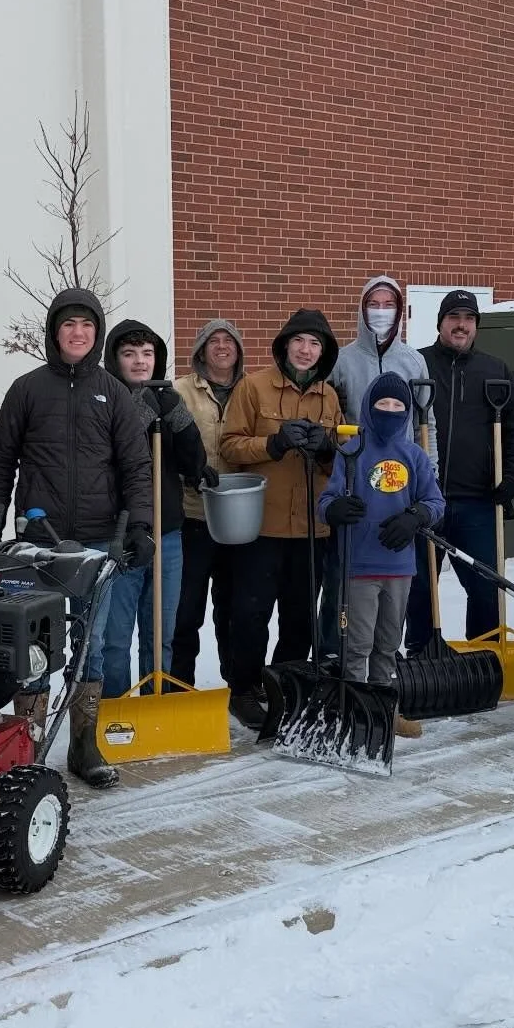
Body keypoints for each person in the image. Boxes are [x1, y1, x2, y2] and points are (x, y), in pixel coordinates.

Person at [0, 288, 153, 788]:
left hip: (97, 541)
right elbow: (0, 463)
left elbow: (136, 466)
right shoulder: (27, 389)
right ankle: (26, 744)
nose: (78, 333)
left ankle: (83, 743)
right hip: (38, 541)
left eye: (87, 325)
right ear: (55, 331)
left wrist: (138, 525)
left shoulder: (113, 393)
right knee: (28, 639)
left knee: (90, 643)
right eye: (69, 324)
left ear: (96, 333)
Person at [219, 309, 343, 729]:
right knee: (251, 613)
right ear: (284, 345)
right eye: (299, 342)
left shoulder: (329, 396)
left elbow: (337, 465)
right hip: (262, 525)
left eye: (315, 344)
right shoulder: (253, 388)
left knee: (300, 616)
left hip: (311, 526)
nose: (306, 351)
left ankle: (284, 684)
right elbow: (230, 448)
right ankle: (245, 688)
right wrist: (273, 443)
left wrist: (327, 448)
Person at [405, 289, 514, 651]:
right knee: (421, 585)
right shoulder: (417, 364)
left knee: (486, 585)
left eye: (469, 319)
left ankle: (483, 652)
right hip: (426, 498)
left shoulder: (496, 370)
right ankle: (422, 655)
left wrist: (511, 478)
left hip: (478, 500)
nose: (462, 325)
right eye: (454, 317)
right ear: (440, 322)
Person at [319, 373, 444, 719]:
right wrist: (333, 509)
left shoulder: (414, 455)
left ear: (406, 412)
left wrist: (416, 515)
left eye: (397, 405)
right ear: (368, 407)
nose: (389, 411)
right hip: (358, 565)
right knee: (357, 644)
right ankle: (356, 711)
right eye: (382, 404)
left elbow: (436, 502)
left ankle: (383, 711)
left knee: (389, 643)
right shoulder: (352, 451)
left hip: (400, 568)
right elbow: (326, 500)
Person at [101, 319, 213, 698]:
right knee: (114, 641)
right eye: (129, 353)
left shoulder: (168, 399)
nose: (139, 361)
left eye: (147, 354)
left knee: (160, 634)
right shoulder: (102, 399)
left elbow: (190, 459)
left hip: (167, 533)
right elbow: (110, 458)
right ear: (114, 358)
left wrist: (177, 421)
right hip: (122, 534)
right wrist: (142, 410)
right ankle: (114, 711)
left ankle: (156, 707)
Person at [324, 275, 434, 656]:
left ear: (400, 312)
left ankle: (387, 657)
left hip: (401, 481)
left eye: (389, 304)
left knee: (397, 577)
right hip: (356, 475)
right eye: (375, 303)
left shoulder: (413, 360)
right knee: (346, 581)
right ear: (362, 308)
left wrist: (427, 477)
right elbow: (330, 411)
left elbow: (426, 423)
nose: (381, 311)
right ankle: (337, 653)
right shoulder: (343, 359)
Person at [171, 319, 244, 687]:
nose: (220, 346)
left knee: (233, 611)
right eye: (212, 340)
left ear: (238, 350)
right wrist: (189, 469)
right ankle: (179, 686)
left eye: (228, 340)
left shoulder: (251, 389)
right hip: (193, 516)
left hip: (238, 519)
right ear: (201, 350)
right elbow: (168, 441)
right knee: (186, 612)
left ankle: (237, 684)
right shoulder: (181, 389)